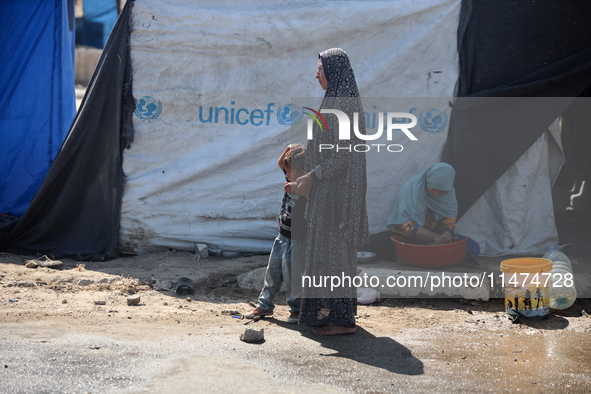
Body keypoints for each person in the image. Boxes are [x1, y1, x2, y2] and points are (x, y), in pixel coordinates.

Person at [294, 48, 369, 336]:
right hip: (327, 192)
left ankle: (342, 320)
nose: (316, 74)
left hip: (339, 195)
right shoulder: (334, 100)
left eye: (320, 69)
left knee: (335, 256)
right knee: (326, 255)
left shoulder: (345, 103)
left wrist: (314, 176)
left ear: (333, 72)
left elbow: (344, 155)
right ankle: (330, 314)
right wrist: (304, 153)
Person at [246, 144, 307, 324]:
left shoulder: (306, 188)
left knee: (293, 277)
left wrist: (297, 185)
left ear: (302, 171)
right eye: (286, 172)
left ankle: (297, 309)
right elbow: (281, 163)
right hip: (282, 236)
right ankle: (264, 304)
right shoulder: (290, 179)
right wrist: (289, 148)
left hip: (297, 240)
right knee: (272, 272)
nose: (286, 175)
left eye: (290, 171)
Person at [386, 162, 458, 244]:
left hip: (435, 233)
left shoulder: (449, 193)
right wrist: (435, 237)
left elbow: (449, 219)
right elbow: (405, 223)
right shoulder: (411, 188)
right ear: (427, 181)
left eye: (442, 192)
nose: (436, 194)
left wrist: (446, 233)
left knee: (471, 247)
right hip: (408, 236)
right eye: (433, 189)